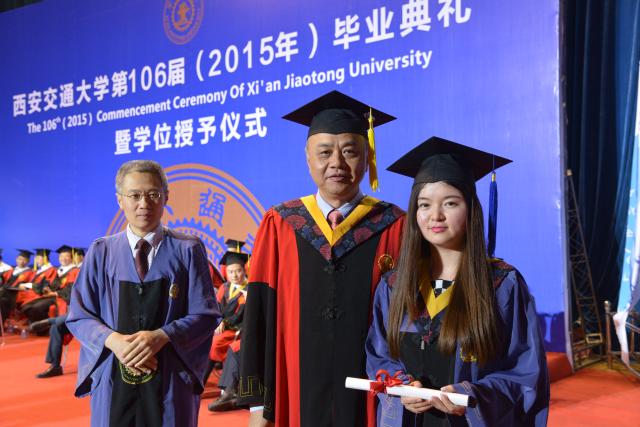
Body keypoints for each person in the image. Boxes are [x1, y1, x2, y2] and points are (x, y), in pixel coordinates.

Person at [238, 90, 405, 426]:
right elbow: (259, 314)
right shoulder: (281, 224)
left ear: (368, 157)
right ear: (308, 158)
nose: (337, 163)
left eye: (350, 152)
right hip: (296, 390)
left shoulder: (395, 225)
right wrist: (258, 404)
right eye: (325, 152)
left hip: (371, 396)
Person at [365, 137, 549, 426]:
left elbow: (524, 373)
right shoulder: (394, 286)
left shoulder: (502, 285)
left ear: (471, 209)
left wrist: (472, 396)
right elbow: (380, 356)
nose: (435, 216)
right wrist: (400, 388)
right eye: (424, 205)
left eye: (450, 203)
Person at [66, 160, 221, 427]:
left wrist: (162, 336)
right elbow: (80, 316)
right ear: (120, 200)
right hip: (114, 377)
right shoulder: (101, 252)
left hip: (170, 377)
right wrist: (113, 340)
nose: (144, 203)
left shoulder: (187, 249)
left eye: (153, 194)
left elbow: (206, 315)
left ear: (166, 197)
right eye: (134, 195)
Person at [207, 239, 249, 412]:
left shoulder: (249, 291)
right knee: (209, 342)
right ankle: (200, 381)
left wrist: (226, 323)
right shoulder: (224, 288)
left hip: (241, 330)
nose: (235, 275)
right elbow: (216, 309)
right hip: (226, 329)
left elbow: (245, 317)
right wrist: (219, 321)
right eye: (231, 271)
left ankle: (227, 392)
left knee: (221, 344)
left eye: (238, 271)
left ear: (244, 271)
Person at [32, 245, 82, 377]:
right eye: (61, 256)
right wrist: (47, 289)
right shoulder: (59, 272)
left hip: (75, 311)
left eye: (66, 256)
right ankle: (55, 366)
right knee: (56, 328)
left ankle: (48, 321)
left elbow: (71, 294)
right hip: (62, 310)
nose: (63, 258)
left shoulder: (75, 271)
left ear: (72, 258)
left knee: (56, 323)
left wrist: (56, 293)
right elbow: (49, 286)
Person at [0, 249, 35, 324]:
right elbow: (2, 278)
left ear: (28, 261)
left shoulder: (30, 272)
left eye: (24, 260)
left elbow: (30, 285)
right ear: (16, 259)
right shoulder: (11, 270)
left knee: (3, 299)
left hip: (18, 294)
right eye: (19, 259)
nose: (21, 261)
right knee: (2, 299)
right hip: (5, 293)